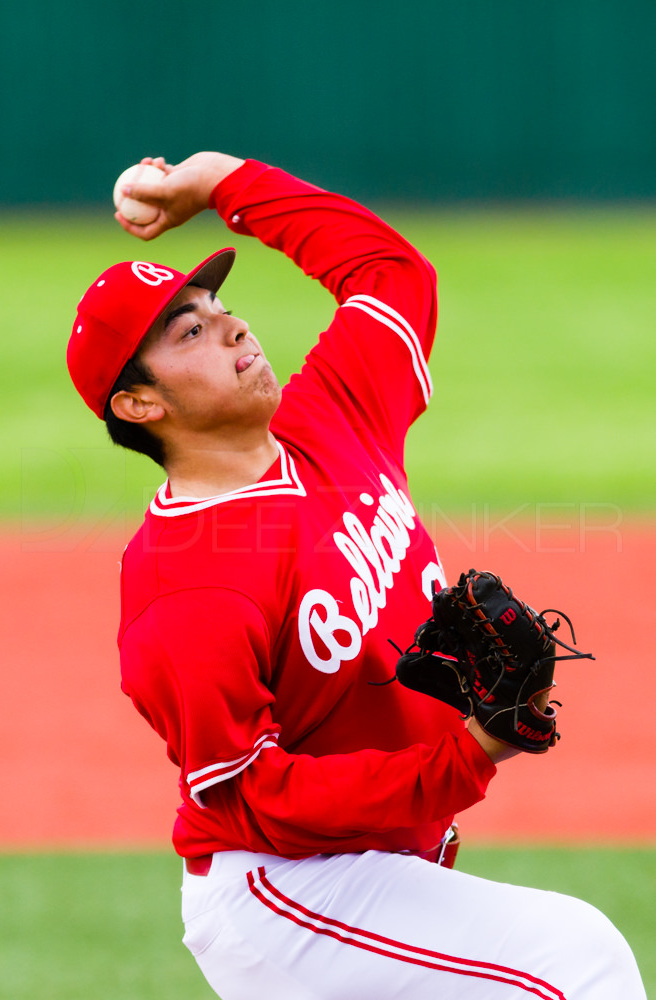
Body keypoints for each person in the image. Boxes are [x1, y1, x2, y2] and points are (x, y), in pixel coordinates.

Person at [67, 152, 646, 999]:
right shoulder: (183, 586)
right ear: (139, 405)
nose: (231, 327)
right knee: (575, 961)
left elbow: (389, 272)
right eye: (188, 331)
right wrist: (468, 752)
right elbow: (249, 796)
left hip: (380, 861)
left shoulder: (331, 415)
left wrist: (221, 180)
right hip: (283, 890)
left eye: (221, 308)